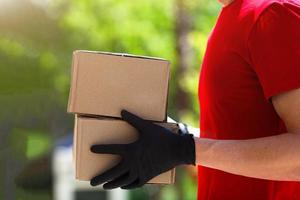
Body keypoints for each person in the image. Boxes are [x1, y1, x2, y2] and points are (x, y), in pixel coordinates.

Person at [89, 0, 300, 199]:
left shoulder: (274, 13)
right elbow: (241, 134)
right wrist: (179, 136)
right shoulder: (232, 17)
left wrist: (184, 149)